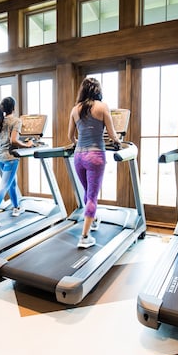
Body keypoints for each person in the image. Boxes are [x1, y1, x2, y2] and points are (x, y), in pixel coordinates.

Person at [67, 77, 121, 248]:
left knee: (87, 192)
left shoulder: (75, 109)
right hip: (95, 156)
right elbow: (112, 135)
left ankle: (94, 218)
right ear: (98, 90)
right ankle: (84, 237)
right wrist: (118, 141)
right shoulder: (102, 107)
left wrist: (78, 143)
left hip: (78, 156)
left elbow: (70, 136)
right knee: (92, 196)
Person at [0, 96, 34, 227]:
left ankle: (16, 207)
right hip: (11, 157)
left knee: (12, 183)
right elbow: (14, 140)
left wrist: (0, 146)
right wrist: (27, 145)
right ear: (14, 108)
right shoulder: (16, 121)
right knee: (4, 186)